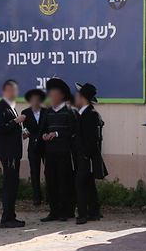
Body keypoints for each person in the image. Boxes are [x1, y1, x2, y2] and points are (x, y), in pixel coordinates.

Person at [40, 78, 78, 222]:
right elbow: (42, 129)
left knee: (65, 182)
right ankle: (53, 211)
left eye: (55, 94)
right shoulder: (47, 112)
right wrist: (44, 135)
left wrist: (57, 134)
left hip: (64, 152)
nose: (52, 97)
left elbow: (73, 132)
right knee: (51, 182)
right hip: (50, 153)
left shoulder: (69, 112)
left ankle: (66, 211)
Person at [0, 79, 27, 228]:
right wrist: (16, 122)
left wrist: (22, 132)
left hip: (14, 151)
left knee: (13, 184)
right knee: (9, 184)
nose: (14, 94)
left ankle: (11, 215)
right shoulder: (0, 108)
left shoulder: (11, 107)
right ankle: (6, 218)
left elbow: (11, 129)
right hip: (8, 153)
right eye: (11, 91)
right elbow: (1, 129)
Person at [73, 82, 106, 225]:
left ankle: (83, 214)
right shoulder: (82, 113)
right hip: (82, 155)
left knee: (80, 183)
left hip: (87, 157)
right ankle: (94, 211)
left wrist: (86, 154)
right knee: (88, 184)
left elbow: (95, 138)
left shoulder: (92, 115)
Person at [22, 89, 47, 206]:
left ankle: (50, 195)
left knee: (49, 171)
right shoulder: (25, 113)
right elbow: (25, 129)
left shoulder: (46, 111)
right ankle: (37, 196)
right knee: (34, 171)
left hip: (45, 145)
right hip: (33, 146)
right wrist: (26, 135)